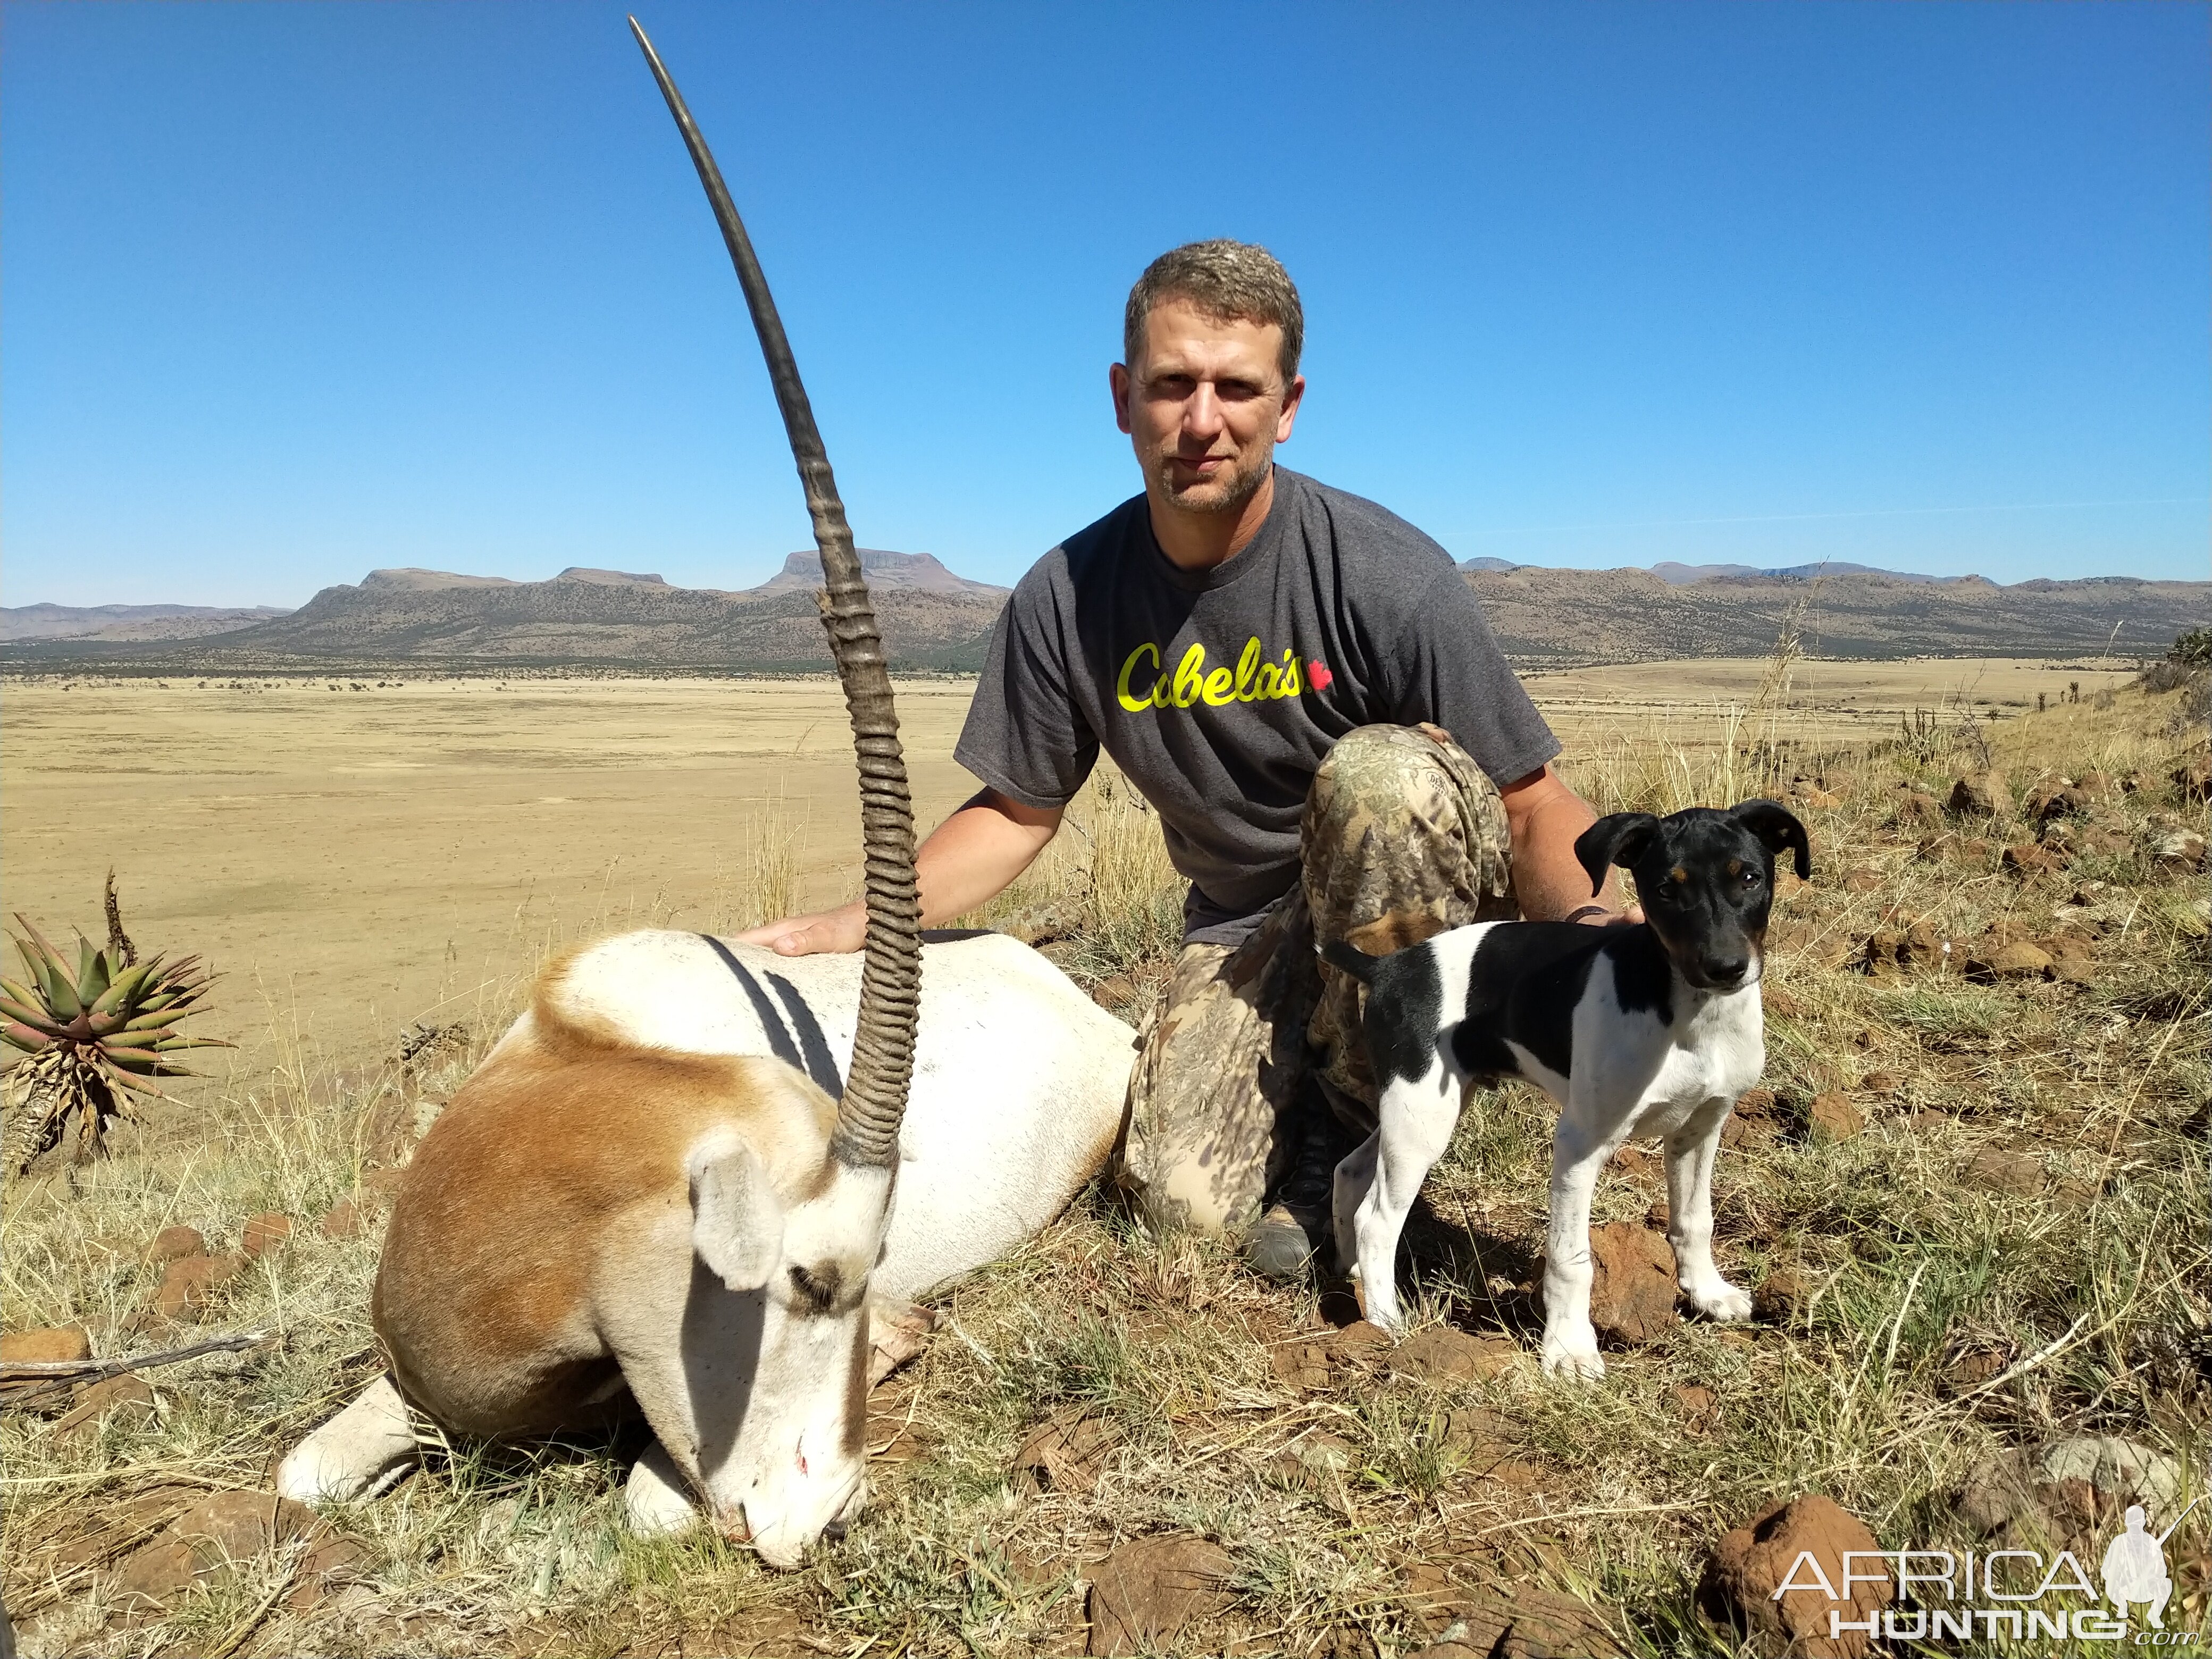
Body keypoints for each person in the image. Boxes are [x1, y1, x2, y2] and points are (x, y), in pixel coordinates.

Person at [741, 239, 1633, 1279]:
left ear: (1287, 405)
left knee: (1378, 782)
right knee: (1179, 1204)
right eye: (1172, 385)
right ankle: (1320, 1091)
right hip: (1243, 928)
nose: (1201, 421)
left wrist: (1587, 935)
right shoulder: (1065, 596)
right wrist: (865, 917)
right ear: (1123, 398)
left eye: (1235, 388)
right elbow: (1015, 811)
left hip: (1410, 903)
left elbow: (1528, 804)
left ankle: (1355, 1127)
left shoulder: (1389, 575)